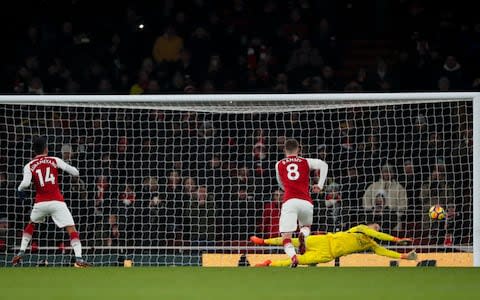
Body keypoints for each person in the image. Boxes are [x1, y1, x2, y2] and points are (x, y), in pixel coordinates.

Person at [12, 136, 90, 267]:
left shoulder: (29, 165)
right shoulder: (54, 160)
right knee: (71, 229)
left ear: (33, 151)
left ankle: (21, 251)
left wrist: (20, 190)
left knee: (31, 224)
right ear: (46, 149)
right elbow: (75, 172)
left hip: (40, 203)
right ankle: (79, 258)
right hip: (57, 202)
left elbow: (25, 183)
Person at [250, 223, 416, 267]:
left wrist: (404, 256)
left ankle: (269, 264)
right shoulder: (360, 229)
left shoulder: (371, 245)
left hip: (327, 255)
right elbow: (377, 234)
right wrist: (397, 239)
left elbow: (385, 252)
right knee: (292, 240)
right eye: (375, 226)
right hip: (325, 240)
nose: (375, 228)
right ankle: (263, 241)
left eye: (377, 227)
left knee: (297, 260)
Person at [275, 138, 328, 267]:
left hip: (289, 201)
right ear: (298, 149)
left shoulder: (279, 164)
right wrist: (319, 185)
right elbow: (324, 165)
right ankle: (303, 235)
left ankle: (293, 257)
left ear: (284, 150)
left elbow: (281, 184)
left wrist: (288, 187)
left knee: (286, 237)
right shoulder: (306, 161)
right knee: (306, 227)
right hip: (306, 201)